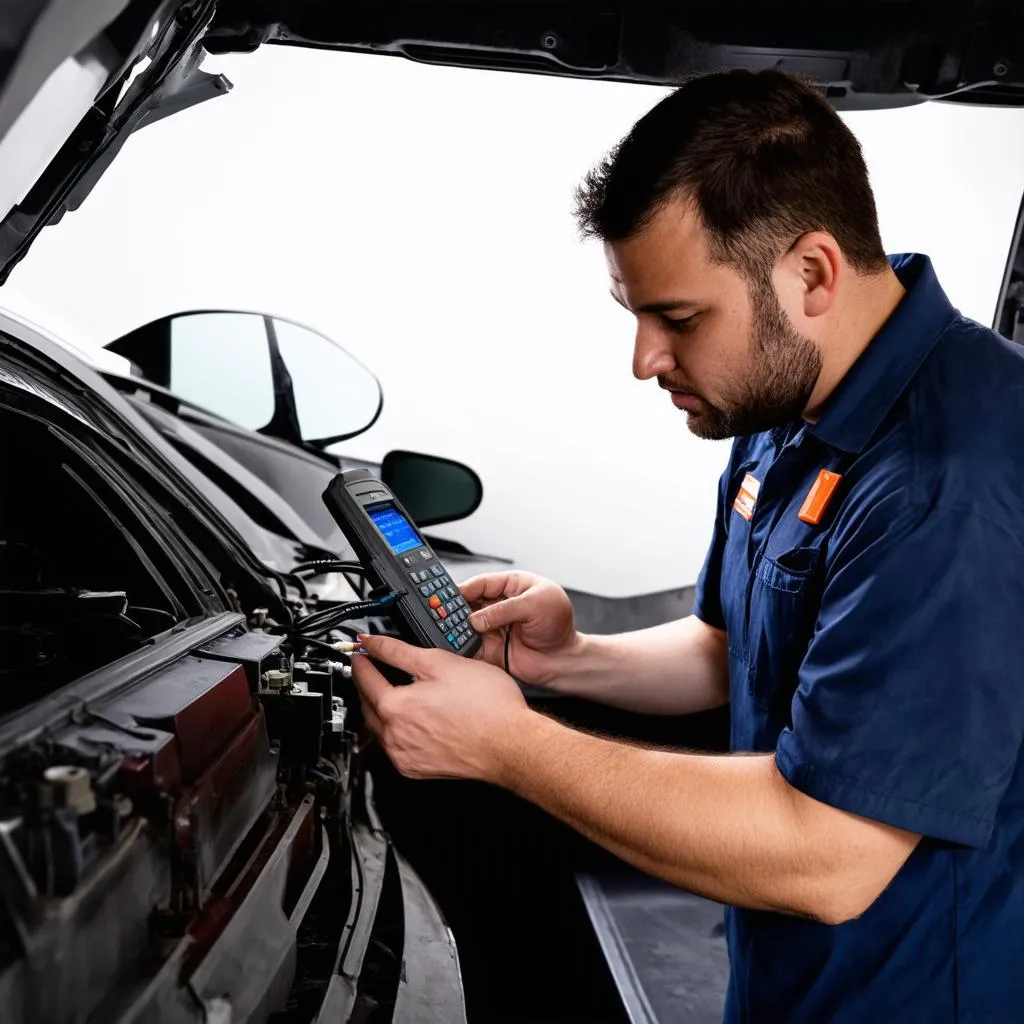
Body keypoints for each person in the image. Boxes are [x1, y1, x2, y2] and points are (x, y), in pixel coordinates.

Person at [351, 68, 1024, 1022]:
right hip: (785, 981)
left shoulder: (945, 487)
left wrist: (506, 743)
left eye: (678, 318)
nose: (645, 360)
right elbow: (726, 648)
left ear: (813, 274)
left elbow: (830, 854)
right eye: (637, 314)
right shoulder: (789, 394)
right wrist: (573, 660)